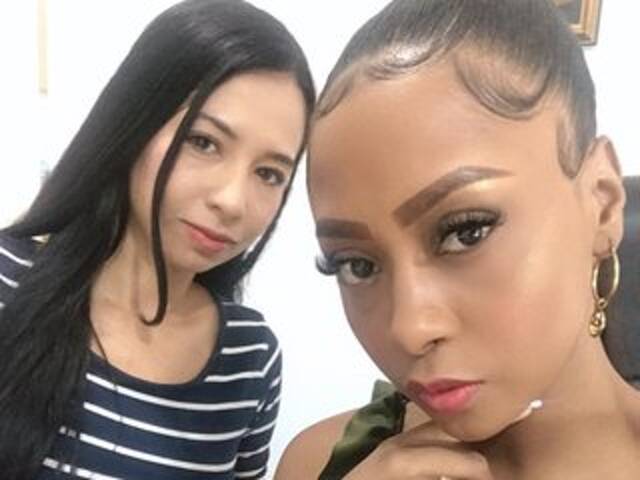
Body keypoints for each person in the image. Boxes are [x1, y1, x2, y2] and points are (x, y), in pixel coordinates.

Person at [276, 0, 638, 478]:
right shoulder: (319, 462)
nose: (408, 328)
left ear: (603, 203)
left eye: (466, 232)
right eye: (356, 265)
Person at [0, 1, 315, 478]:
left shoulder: (249, 361)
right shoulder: (8, 282)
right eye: (204, 142)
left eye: (269, 173)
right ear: (136, 123)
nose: (233, 201)